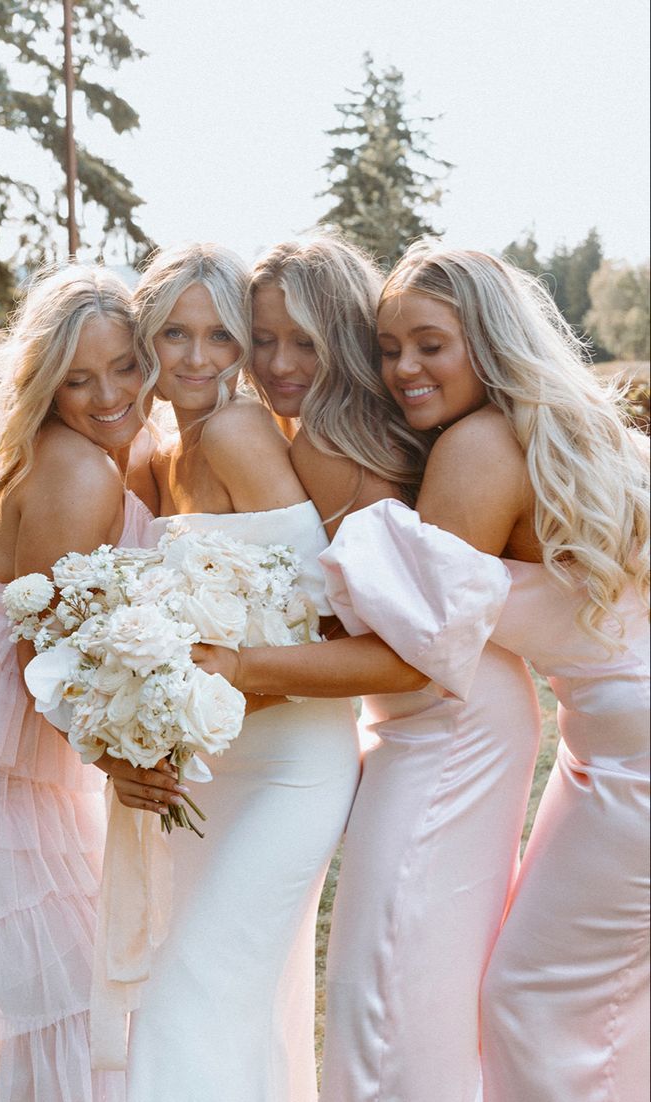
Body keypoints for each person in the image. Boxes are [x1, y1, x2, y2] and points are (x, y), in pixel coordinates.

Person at [198, 239, 650, 1100]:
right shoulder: (540, 432)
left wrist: (240, 663)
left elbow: (418, 659)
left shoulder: (480, 447)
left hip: (625, 761)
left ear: (488, 339)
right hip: (607, 746)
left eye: (430, 345)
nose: (404, 367)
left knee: (534, 999)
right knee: (589, 999)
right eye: (390, 346)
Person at [123, 241, 428, 1102]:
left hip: (292, 765)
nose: (198, 357)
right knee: (241, 1003)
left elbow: (311, 601)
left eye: (222, 337)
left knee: (192, 989)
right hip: (212, 765)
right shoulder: (161, 455)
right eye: (174, 333)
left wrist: (223, 669)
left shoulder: (237, 430)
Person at [0, 265, 184, 1102]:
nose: (108, 394)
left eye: (124, 368)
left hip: (19, 763)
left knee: (56, 1003)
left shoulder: (123, 450)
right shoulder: (79, 470)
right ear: (44, 380)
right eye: (77, 378)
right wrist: (121, 762)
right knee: (66, 1001)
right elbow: (44, 660)